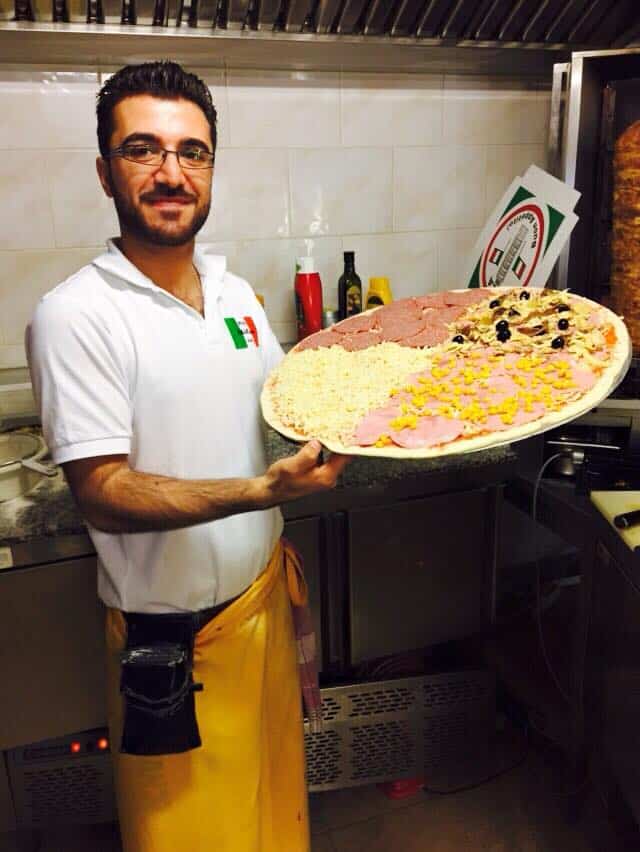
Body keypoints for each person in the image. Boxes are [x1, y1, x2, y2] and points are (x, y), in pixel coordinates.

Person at [26, 61, 350, 852]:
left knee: (275, 821)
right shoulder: (78, 315)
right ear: (106, 172)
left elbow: (288, 397)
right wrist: (261, 489)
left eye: (192, 152)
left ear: (211, 168)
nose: (172, 173)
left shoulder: (233, 293)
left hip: (263, 613)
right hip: (178, 646)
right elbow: (103, 491)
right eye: (144, 150)